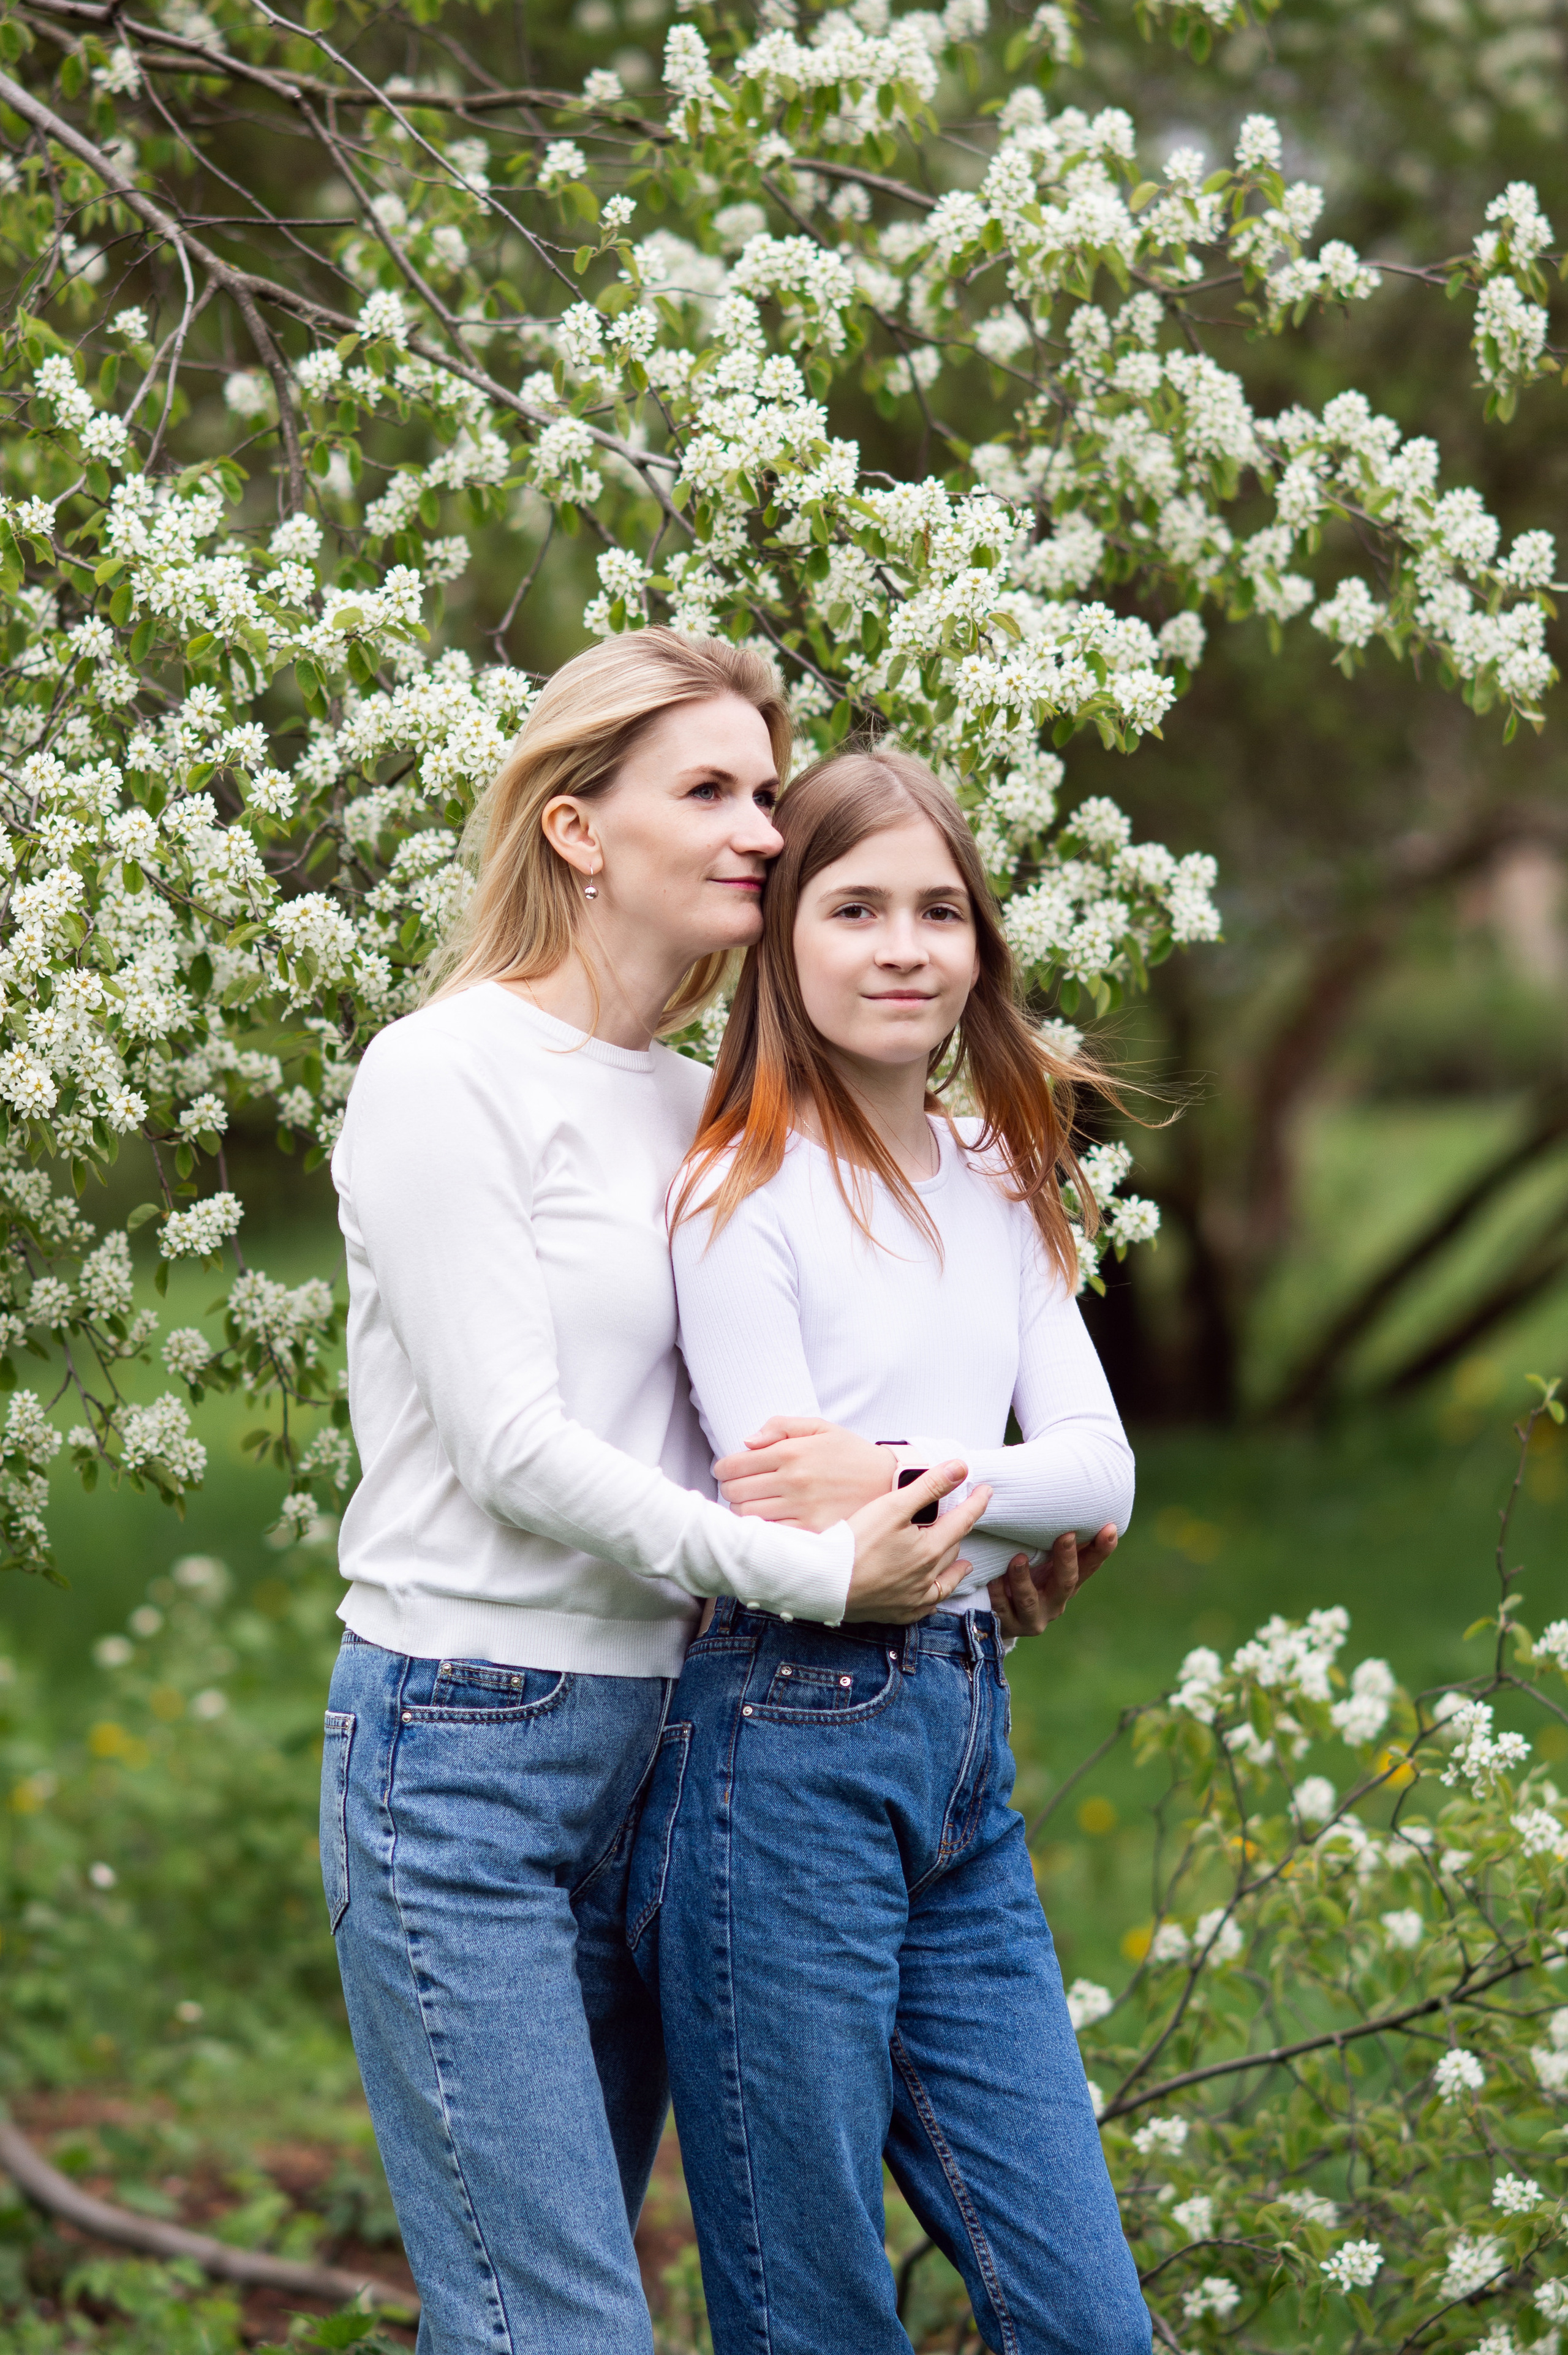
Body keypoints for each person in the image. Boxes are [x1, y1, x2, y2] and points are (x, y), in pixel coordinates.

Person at [318, 633, 998, 2355]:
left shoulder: (698, 1103)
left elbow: (784, 1398)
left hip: (679, 1746)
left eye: (766, 789)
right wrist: (815, 1572)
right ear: (574, 828)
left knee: (559, 2300)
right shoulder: (442, 1074)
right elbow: (515, 1451)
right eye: (708, 791)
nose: (763, 829)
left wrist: (967, 1517)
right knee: (556, 2325)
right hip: (461, 1750)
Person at [631, 746, 1153, 2355]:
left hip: (958, 1751)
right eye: (855, 908)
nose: (906, 947)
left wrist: (912, 1470)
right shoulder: (740, 1191)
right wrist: (983, 1491)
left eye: (942, 910)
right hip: (778, 1754)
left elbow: (1101, 1471)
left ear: (983, 945)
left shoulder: (998, 1168)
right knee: (813, 2314)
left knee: (1088, 2323)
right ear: (780, 937)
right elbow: (801, 1509)